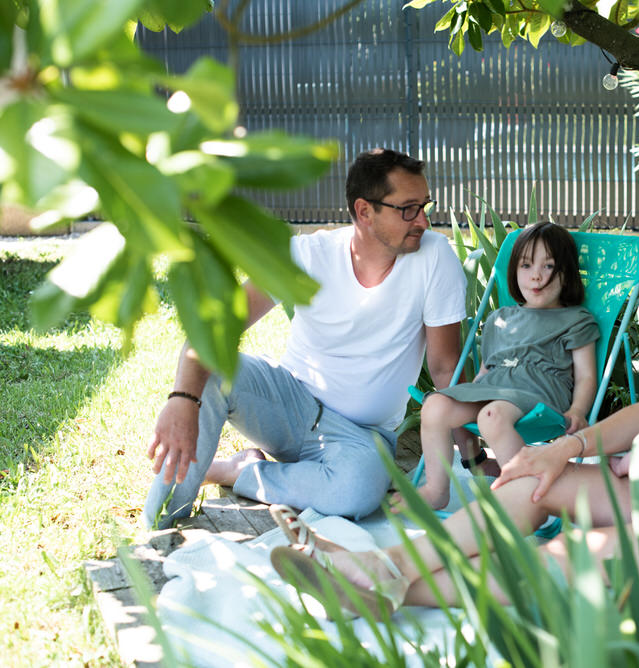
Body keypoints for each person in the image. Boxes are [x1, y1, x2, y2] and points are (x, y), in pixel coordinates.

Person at [269, 183, 639, 616]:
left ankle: (376, 586)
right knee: (533, 478)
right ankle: (387, 568)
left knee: (580, 560)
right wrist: (564, 448)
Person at [142, 148, 468, 530]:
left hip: (361, 437)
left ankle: (238, 472)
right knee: (210, 373)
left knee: (358, 491)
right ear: (364, 211)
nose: (424, 221)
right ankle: (161, 523)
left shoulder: (435, 259)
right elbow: (216, 329)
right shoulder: (308, 255)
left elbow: (446, 367)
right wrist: (181, 400)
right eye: (408, 209)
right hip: (289, 404)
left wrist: (473, 454)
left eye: (424, 205)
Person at [401, 222, 599, 510]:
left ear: (566, 273)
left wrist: (578, 410)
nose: (536, 276)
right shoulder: (499, 319)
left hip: (540, 395)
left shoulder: (575, 320)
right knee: (435, 406)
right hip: (496, 390)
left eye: (549, 266)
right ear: (514, 272)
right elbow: (487, 370)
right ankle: (436, 490)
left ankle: (524, 493)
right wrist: (471, 389)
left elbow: (586, 376)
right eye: (527, 265)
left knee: (491, 416)